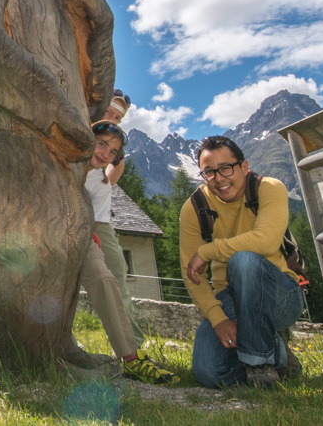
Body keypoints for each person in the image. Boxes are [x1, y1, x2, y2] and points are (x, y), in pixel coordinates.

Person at [179, 135, 304, 389]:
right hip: (230, 296)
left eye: (226, 168)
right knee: (209, 372)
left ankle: (260, 366)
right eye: (209, 172)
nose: (219, 178)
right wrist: (218, 319)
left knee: (244, 262)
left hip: (280, 294)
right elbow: (191, 273)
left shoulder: (269, 188)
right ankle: (278, 354)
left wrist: (208, 251)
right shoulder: (195, 207)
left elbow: (265, 242)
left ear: (244, 167)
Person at [77, 120, 178, 384]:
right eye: (102, 144)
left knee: (104, 276)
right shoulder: (61, 161)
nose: (105, 153)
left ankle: (131, 356)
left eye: (112, 151)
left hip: (77, 236)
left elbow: (93, 225)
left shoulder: (100, 184)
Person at [85, 91, 144, 345]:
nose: (111, 118)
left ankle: (131, 342)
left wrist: (102, 184)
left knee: (116, 268)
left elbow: (113, 170)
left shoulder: (112, 150)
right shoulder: (78, 122)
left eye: (117, 117)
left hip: (95, 216)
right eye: (108, 111)